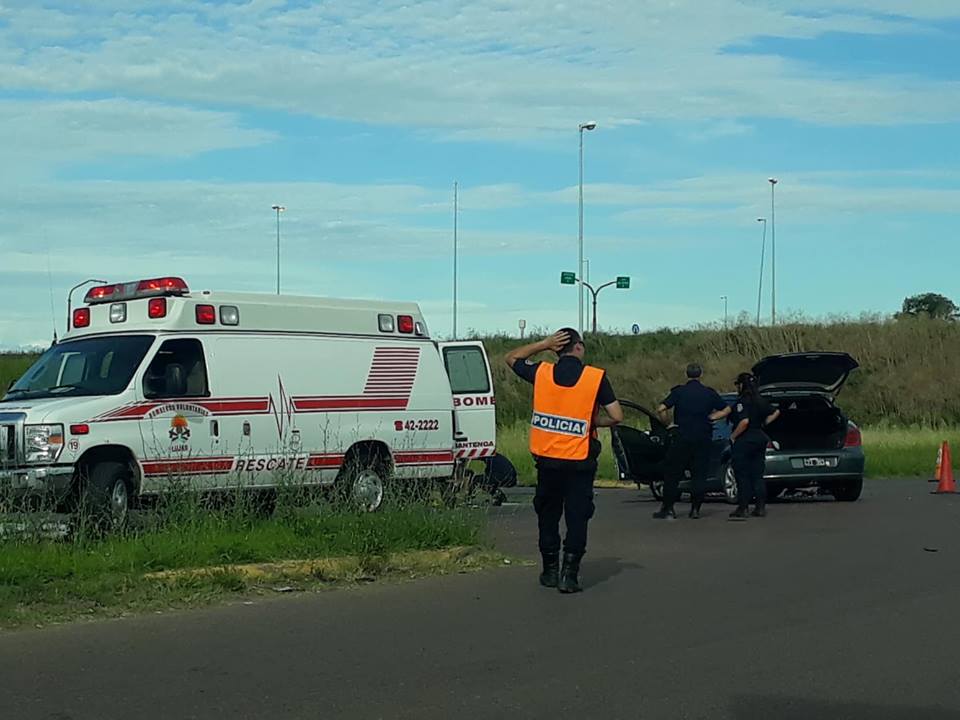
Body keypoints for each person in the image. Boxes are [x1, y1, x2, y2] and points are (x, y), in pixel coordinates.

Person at [505, 328, 623, 594]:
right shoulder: (596, 378)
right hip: (580, 461)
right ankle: (569, 575)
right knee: (577, 516)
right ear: (579, 347)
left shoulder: (543, 373)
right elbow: (617, 416)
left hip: (547, 460)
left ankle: (549, 570)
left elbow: (511, 358)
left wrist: (543, 344)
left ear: (557, 349)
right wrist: (591, 421)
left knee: (548, 515)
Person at [654, 363, 728, 520]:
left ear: (686, 374)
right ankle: (695, 509)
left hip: (682, 436)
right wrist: (712, 417)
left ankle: (668, 509)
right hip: (703, 437)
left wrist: (668, 424)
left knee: (673, 474)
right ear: (701, 374)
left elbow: (661, 408)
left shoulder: (679, 392)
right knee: (699, 475)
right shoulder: (709, 393)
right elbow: (727, 409)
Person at [720, 372, 781, 520]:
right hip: (759, 438)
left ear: (742, 385)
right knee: (757, 476)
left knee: (742, 475)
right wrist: (763, 423)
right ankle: (760, 507)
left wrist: (733, 436)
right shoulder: (760, 400)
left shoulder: (743, 401)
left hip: (745, 440)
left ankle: (743, 508)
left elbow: (744, 422)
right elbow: (776, 411)